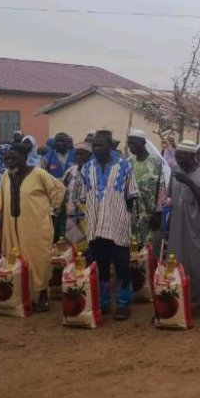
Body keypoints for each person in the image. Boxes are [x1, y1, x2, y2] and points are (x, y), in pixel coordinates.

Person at [0, 142, 66, 311]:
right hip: (12, 228)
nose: (10, 162)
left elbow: (59, 190)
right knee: (16, 260)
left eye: (14, 158)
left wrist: (53, 213)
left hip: (37, 227)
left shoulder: (39, 174)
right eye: (7, 159)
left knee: (38, 261)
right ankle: (21, 297)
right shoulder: (6, 176)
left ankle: (43, 297)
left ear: (25, 158)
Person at [79, 130, 139, 320]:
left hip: (118, 225)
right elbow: (83, 197)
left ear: (110, 146)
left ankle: (123, 304)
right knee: (101, 266)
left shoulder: (125, 166)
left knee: (122, 266)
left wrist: (126, 218)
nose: (96, 149)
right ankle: (103, 303)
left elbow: (131, 197)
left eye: (101, 145)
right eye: (94, 146)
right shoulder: (86, 168)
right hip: (95, 227)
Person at [166, 140, 200, 319]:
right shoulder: (175, 169)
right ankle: (180, 298)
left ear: (193, 156)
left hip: (199, 225)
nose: (179, 161)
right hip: (179, 224)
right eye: (177, 158)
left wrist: (188, 182)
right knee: (177, 259)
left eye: (183, 158)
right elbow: (171, 196)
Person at [127, 129, 167, 250]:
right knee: (133, 249)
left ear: (143, 143)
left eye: (134, 143)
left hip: (151, 215)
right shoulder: (128, 163)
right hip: (132, 214)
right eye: (129, 143)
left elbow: (162, 189)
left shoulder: (156, 161)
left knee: (149, 249)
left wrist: (158, 214)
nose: (131, 146)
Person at [62, 142, 93, 253]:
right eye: (77, 154)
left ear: (90, 156)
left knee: (87, 251)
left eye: (83, 154)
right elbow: (62, 193)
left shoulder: (94, 172)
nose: (79, 157)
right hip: (71, 219)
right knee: (73, 251)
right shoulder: (70, 172)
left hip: (88, 219)